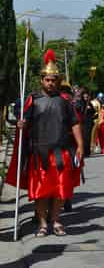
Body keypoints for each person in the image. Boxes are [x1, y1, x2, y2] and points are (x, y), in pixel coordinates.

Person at [6, 49, 83, 237]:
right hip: (39, 153)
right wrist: (22, 124)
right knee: (40, 192)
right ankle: (42, 223)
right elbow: (25, 122)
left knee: (59, 190)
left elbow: (74, 123)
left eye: (54, 79)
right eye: (47, 79)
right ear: (42, 80)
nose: (50, 83)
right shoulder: (34, 100)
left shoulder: (65, 101)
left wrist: (80, 145)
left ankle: (56, 220)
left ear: (58, 81)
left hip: (61, 151)